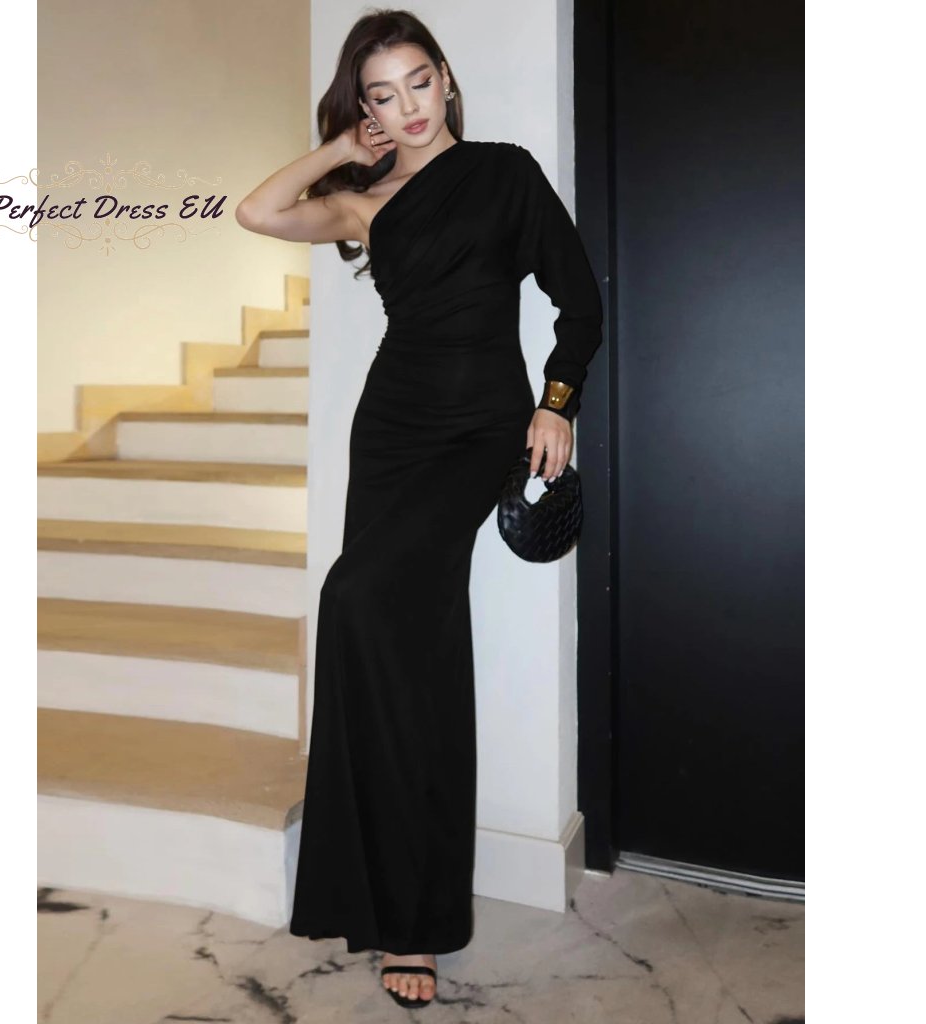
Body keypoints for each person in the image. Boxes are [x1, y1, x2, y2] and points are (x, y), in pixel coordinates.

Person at [235, 8, 603, 1010]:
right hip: (391, 428)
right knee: (409, 651)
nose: (405, 108)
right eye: (380, 95)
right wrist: (339, 150)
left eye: (417, 83)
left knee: (353, 597)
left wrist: (556, 402)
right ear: (364, 109)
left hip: (479, 429)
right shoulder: (364, 202)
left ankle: (417, 908)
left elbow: (579, 302)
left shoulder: (505, 174)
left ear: (446, 79)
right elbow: (258, 212)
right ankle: (397, 910)